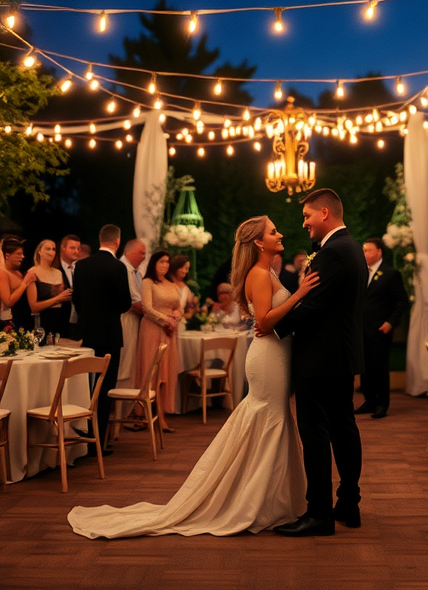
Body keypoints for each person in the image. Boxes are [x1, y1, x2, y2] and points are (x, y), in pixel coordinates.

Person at [67, 215, 319, 539]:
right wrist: (299, 295)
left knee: (274, 419)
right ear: (258, 242)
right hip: (269, 357)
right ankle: (256, 500)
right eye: (273, 231)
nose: (280, 233)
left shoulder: (267, 271)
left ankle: (273, 498)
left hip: (276, 355)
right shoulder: (259, 273)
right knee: (269, 419)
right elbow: (267, 322)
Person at [273, 188, 366, 537]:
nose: (304, 223)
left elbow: (314, 308)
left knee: (316, 434)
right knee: (343, 428)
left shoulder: (335, 252)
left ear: (324, 212)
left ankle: (319, 514)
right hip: (339, 355)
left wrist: (272, 325)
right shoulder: (349, 248)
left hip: (321, 358)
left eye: (307, 216)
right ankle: (348, 504)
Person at [72, 224, 132, 451]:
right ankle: (100, 441)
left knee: (86, 386)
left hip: (86, 334)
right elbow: (125, 303)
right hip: (109, 334)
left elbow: (76, 300)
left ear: (100, 239)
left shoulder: (82, 266)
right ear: (117, 242)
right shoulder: (117, 267)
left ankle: (84, 438)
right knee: (105, 387)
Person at [355, 237, 408, 419]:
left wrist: (391, 322)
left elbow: (401, 301)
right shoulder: (362, 272)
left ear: (379, 252)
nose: (364, 254)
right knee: (365, 368)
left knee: (379, 367)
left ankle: (382, 403)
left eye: (368, 250)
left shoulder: (391, 274)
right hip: (362, 329)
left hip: (380, 329)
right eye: (363, 250)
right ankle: (369, 401)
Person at [134, 250, 182, 431]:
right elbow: (147, 308)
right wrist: (166, 320)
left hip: (169, 332)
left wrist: (175, 318)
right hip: (153, 330)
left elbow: (179, 306)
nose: (165, 265)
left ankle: (161, 416)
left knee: (165, 374)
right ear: (154, 263)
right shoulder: (147, 282)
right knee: (151, 372)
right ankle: (144, 414)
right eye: (162, 261)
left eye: (167, 262)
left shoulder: (170, 284)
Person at [117, 239, 147, 391]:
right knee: (126, 361)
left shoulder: (136, 272)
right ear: (130, 252)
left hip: (135, 321)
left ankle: (129, 401)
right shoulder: (122, 269)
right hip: (126, 319)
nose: (144, 256)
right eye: (142, 253)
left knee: (132, 361)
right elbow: (134, 302)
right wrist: (155, 314)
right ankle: (122, 401)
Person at [27, 239, 73, 335]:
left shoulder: (58, 272)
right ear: (39, 252)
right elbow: (33, 307)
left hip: (61, 320)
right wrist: (57, 299)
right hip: (43, 322)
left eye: (53, 249)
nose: (51, 252)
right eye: (47, 249)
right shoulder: (32, 272)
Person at [0, 236, 36, 330]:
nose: (22, 257)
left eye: (22, 254)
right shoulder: (2, 273)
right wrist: (24, 283)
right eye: (18, 254)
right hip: (12, 323)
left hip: (27, 320)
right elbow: (8, 302)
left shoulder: (18, 272)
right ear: (7, 255)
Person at [57, 233, 81, 338]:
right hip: (59, 322)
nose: (76, 251)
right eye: (72, 248)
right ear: (63, 248)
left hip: (76, 323)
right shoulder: (56, 268)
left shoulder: (79, 268)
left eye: (78, 248)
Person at [168, 254, 198, 333]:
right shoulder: (166, 285)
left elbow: (191, 307)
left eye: (187, 268)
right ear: (176, 267)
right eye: (184, 268)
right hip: (167, 322)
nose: (186, 271)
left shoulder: (186, 288)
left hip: (181, 323)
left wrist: (193, 308)